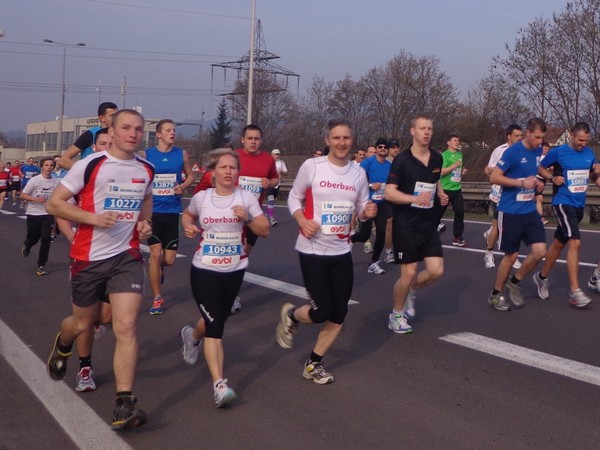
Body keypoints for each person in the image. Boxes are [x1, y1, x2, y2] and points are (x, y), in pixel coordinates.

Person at [46, 109, 154, 430]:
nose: (133, 134)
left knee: (127, 325)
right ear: (113, 131)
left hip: (127, 256)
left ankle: (124, 403)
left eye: (138, 129)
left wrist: (145, 223)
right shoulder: (91, 165)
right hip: (88, 256)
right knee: (83, 323)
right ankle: (64, 343)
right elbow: (54, 203)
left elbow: (146, 201)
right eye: (126, 128)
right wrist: (93, 219)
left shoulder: (146, 169)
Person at [275, 118, 376, 384]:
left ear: (352, 141)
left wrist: (366, 211)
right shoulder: (313, 166)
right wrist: (301, 220)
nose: (342, 143)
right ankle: (292, 315)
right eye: (336, 138)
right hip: (313, 249)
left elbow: (361, 208)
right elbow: (294, 197)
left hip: (341, 250)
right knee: (321, 312)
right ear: (327, 141)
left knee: (339, 313)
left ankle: (314, 363)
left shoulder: (358, 173)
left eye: (346, 138)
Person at [180, 148, 269, 407]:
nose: (229, 171)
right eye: (223, 167)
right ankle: (219, 385)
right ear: (213, 172)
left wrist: (248, 217)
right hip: (204, 269)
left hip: (234, 270)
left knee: (214, 319)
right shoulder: (202, 198)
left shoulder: (246, 197)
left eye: (233, 167)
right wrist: (188, 226)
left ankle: (191, 336)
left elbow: (264, 230)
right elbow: (188, 214)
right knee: (216, 326)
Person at [383, 116, 449, 334]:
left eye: (430, 128)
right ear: (413, 131)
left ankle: (410, 291)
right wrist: (414, 199)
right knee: (409, 273)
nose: (426, 132)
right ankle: (396, 316)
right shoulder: (402, 160)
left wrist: (441, 193)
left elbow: (435, 179)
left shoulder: (437, 158)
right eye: (422, 128)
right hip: (406, 223)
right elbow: (389, 192)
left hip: (428, 223)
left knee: (436, 271)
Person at [533, 122, 599, 308]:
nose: (583, 144)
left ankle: (541, 277)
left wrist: (596, 173)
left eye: (586, 140)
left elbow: (593, 176)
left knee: (559, 243)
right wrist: (552, 177)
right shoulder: (558, 152)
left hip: (579, 204)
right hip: (562, 201)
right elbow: (540, 168)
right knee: (575, 242)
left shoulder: (589, 153)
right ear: (571, 135)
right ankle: (575, 291)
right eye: (580, 140)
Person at [487, 118, 547, 311]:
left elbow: (533, 170)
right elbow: (494, 176)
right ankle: (495, 294)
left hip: (529, 210)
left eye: (542, 138)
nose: (540, 142)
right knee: (511, 256)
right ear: (528, 133)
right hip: (510, 211)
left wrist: (538, 182)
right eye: (537, 137)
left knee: (540, 252)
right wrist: (521, 183)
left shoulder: (537, 150)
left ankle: (514, 281)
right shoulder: (512, 152)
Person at [139, 119, 194, 315]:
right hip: (152, 212)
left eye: (174, 130)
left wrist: (182, 186)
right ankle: (157, 299)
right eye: (168, 130)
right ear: (158, 134)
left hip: (172, 211)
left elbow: (190, 175)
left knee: (169, 260)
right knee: (155, 254)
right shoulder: (146, 155)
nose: (172, 133)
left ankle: (155, 269)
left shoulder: (181, 154)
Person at [233, 124, 279, 312]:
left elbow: (275, 179)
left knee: (243, 256)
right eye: (249, 138)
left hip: (254, 216)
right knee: (235, 255)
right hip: (234, 214)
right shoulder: (234, 156)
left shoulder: (268, 159)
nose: (253, 142)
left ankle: (232, 290)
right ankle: (232, 295)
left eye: (256, 139)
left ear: (261, 140)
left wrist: (269, 183)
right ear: (242, 139)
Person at [483, 125, 524, 269]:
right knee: (497, 227)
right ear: (509, 136)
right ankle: (489, 254)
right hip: (500, 194)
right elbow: (489, 169)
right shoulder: (500, 150)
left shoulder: (524, 151)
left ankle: (513, 255)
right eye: (516, 135)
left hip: (516, 194)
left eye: (521, 136)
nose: (519, 138)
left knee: (515, 227)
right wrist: (504, 171)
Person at [351, 137, 392, 274]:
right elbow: (357, 180)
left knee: (381, 234)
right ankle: (349, 240)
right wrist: (370, 185)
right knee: (364, 235)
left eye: (385, 147)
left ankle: (373, 263)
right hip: (367, 204)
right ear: (376, 149)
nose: (383, 149)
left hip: (381, 204)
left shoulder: (389, 165)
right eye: (380, 147)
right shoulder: (368, 163)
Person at [19, 157, 59, 276]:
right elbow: (22, 195)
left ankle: (41, 265)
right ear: (41, 167)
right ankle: (28, 244)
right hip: (34, 213)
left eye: (51, 165)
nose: (49, 167)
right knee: (33, 238)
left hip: (47, 214)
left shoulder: (56, 182)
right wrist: (35, 199)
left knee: (46, 239)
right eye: (46, 165)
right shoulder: (34, 180)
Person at [60, 102, 118, 169]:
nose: (116, 119)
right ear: (102, 118)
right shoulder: (90, 135)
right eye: (112, 116)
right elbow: (63, 161)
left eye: (117, 116)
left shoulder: (119, 135)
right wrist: (85, 170)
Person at [438, 134, 467, 246]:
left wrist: (462, 172)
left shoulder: (459, 154)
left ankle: (457, 237)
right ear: (448, 142)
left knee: (460, 212)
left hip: (456, 189)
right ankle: (428, 234)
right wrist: (454, 165)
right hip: (444, 189)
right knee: (437, 214)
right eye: (454, 140)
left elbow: (456, 172)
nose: (457, 142)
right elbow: (441, 172)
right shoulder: (444, 155)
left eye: (458, 140)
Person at [265, 148, 288, 226]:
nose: (277, 156)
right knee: (271, 200)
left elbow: (286, 172)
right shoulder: (268, 162)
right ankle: (272, 219)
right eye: (275, 154)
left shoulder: (281, 162)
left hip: (277, 184)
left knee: (271, 202)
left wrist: (281, 172)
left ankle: (266, 216)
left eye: (278, 154)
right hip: (269, 184)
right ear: (272, 154)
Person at [535, 141, 552, 224]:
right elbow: (538, 169)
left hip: (542, 180)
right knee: (535, 198)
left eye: (548, 149)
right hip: (535, 178)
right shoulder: (537, 157)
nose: (546, 150)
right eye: (545, 148)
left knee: (539, 198)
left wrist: (551, 169)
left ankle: (540, 217)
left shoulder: (549, 158)